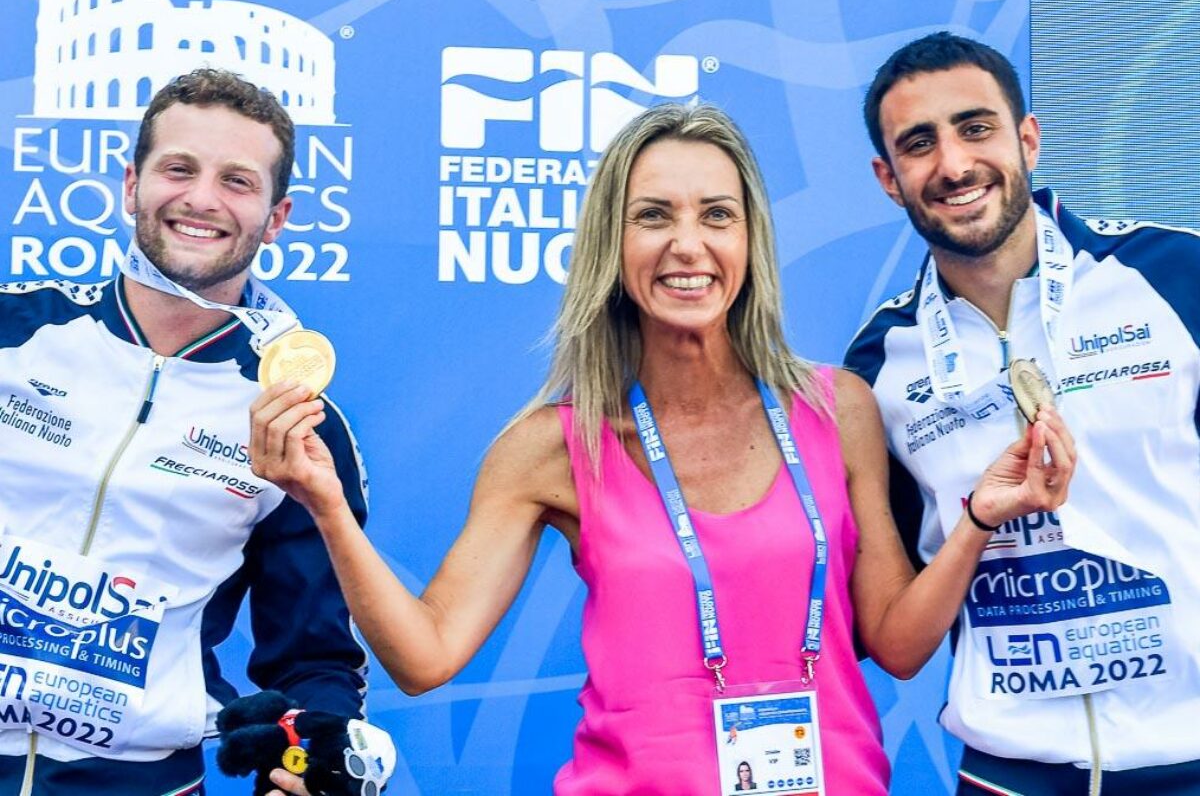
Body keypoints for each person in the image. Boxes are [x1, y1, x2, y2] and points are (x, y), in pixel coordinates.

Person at [252, 102, 1071, 795]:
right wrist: (326, 505)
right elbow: (424, 656)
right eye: (653, 216)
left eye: (716, 215)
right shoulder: (553, 446)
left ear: (749, 240)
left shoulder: (838, 408)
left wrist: (978, 519)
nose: (688, 244)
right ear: (611, 245)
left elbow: (897, 643)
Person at [845, 31, 1200, 795]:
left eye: (976, 128)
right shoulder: (877, 366)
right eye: (919, 144)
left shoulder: (1177, 276)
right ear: (887, 177)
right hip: (1010, 772)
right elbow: (895, 621)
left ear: (1028, 139)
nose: (953, 165)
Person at [0, 70, 369, 794]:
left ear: (276, 217)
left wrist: (313, 755)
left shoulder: (294, 419)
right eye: (179, 169)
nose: (201, 199)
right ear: (131, 185)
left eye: (237, 181)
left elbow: (314, 658)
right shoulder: (13, 333)